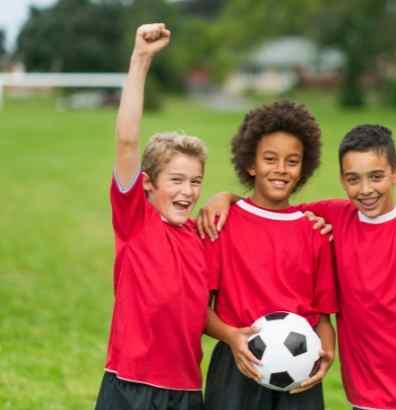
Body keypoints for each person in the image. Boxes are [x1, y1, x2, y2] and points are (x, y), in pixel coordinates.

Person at [198, 46, 396, 410]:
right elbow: (272, 209)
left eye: (376, 177)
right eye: (353, 179)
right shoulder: (333, 218)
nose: (366, 189)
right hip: (369, 399)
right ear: (342, 180)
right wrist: (226, 197)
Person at [95, 23, 208, 410]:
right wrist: (141, 59)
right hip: (130, 386)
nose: (188, 191)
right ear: (147, 185)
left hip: (188, 391)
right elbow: (127, 140)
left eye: (196, 181)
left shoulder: (202, 236)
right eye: (176, 180)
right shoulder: (135, 222)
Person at [203, 101, 338, 410]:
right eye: (270, 159)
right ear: (251, 164)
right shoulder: (221, 224)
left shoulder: (315, 233)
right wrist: (231, 337)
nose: (280, 169)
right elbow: (199, 309)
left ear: (304, 168)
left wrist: (327, 346)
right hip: (236, 366)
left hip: (300, 368)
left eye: (292, 161)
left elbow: (323, 318)